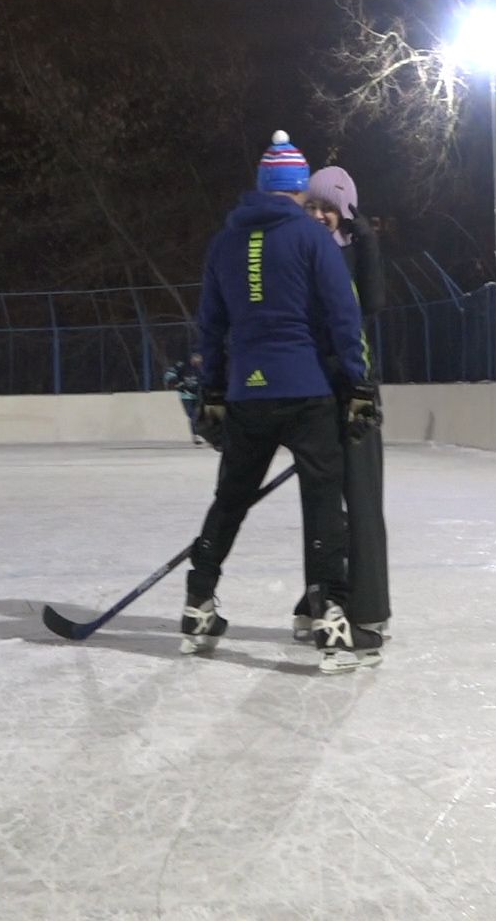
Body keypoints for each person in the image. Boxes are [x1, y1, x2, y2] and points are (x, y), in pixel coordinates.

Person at [183, 130, 382, 673]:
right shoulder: (311, 239)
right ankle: (331, 620)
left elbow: (212, 326)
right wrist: (360, 385)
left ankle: (198, 603)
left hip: (248, 392)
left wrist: (215, 391)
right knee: (322, 506)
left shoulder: (225, 242)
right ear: (298, 190)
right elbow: (345, 316)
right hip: (307, 393)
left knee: (230, 501)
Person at [293, 164, 391, 642]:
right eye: (310, 206)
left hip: (355, 391)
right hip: (314, 392)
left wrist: (366, 243)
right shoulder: (298, 255)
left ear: (345, 212)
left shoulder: (354, 253)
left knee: (363, 502)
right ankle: (319, 601)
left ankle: (369, 607)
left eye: (327, 208)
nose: (316, 215)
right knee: (321, 505)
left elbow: (372, 303)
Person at [162, 352, 205, 444]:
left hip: (198, 395)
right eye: (196, 358)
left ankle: (197, 434)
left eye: (200, 359)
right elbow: (169, 374)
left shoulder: (201, 368)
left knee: (197, 415)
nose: (198, 361)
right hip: (186, 395)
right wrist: (177, 383)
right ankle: (196, 434)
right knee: (191, 414)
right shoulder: (183, 365)